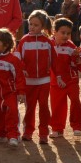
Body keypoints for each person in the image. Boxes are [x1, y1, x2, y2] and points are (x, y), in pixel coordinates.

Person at [17, 10, 54, 143]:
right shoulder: (24, 40)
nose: (32, 27)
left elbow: (54, 60)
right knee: (30, 107)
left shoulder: (48, 42)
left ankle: (44, 133)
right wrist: (23, 69)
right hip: (28, 82)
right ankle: (28, 131)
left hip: (44, 80)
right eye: (30, 24)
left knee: (44, 106)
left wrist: (58, 75)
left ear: (43, 26)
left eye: (36, 25)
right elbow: (17, 58)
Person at [49, 18, 81, 138]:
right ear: (54, 31)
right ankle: (57, 128)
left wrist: (77, 59)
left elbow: (79, 66)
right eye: (62, 32)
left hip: (71, 80)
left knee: (75, 101)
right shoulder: (48, 44)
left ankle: (77, 126)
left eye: (68, 33)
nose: (65, 35)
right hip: (55, 81)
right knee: (57, 105)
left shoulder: (71, 46)